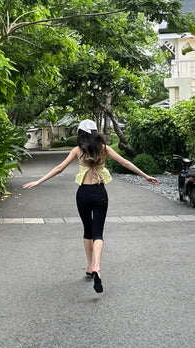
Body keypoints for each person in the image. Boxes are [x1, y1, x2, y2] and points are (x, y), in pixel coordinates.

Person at [23, 119, 159, 293]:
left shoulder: (77, 151)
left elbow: (59, 168)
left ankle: (88, 266)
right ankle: (97, 267)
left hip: (83, 194)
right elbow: (124, 162)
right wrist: (145, 176)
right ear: (96, 133)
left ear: (81, 134)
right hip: (100, 194)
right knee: (98, 233)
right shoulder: (104, 149)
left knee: (87, 230)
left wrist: (38, 181)